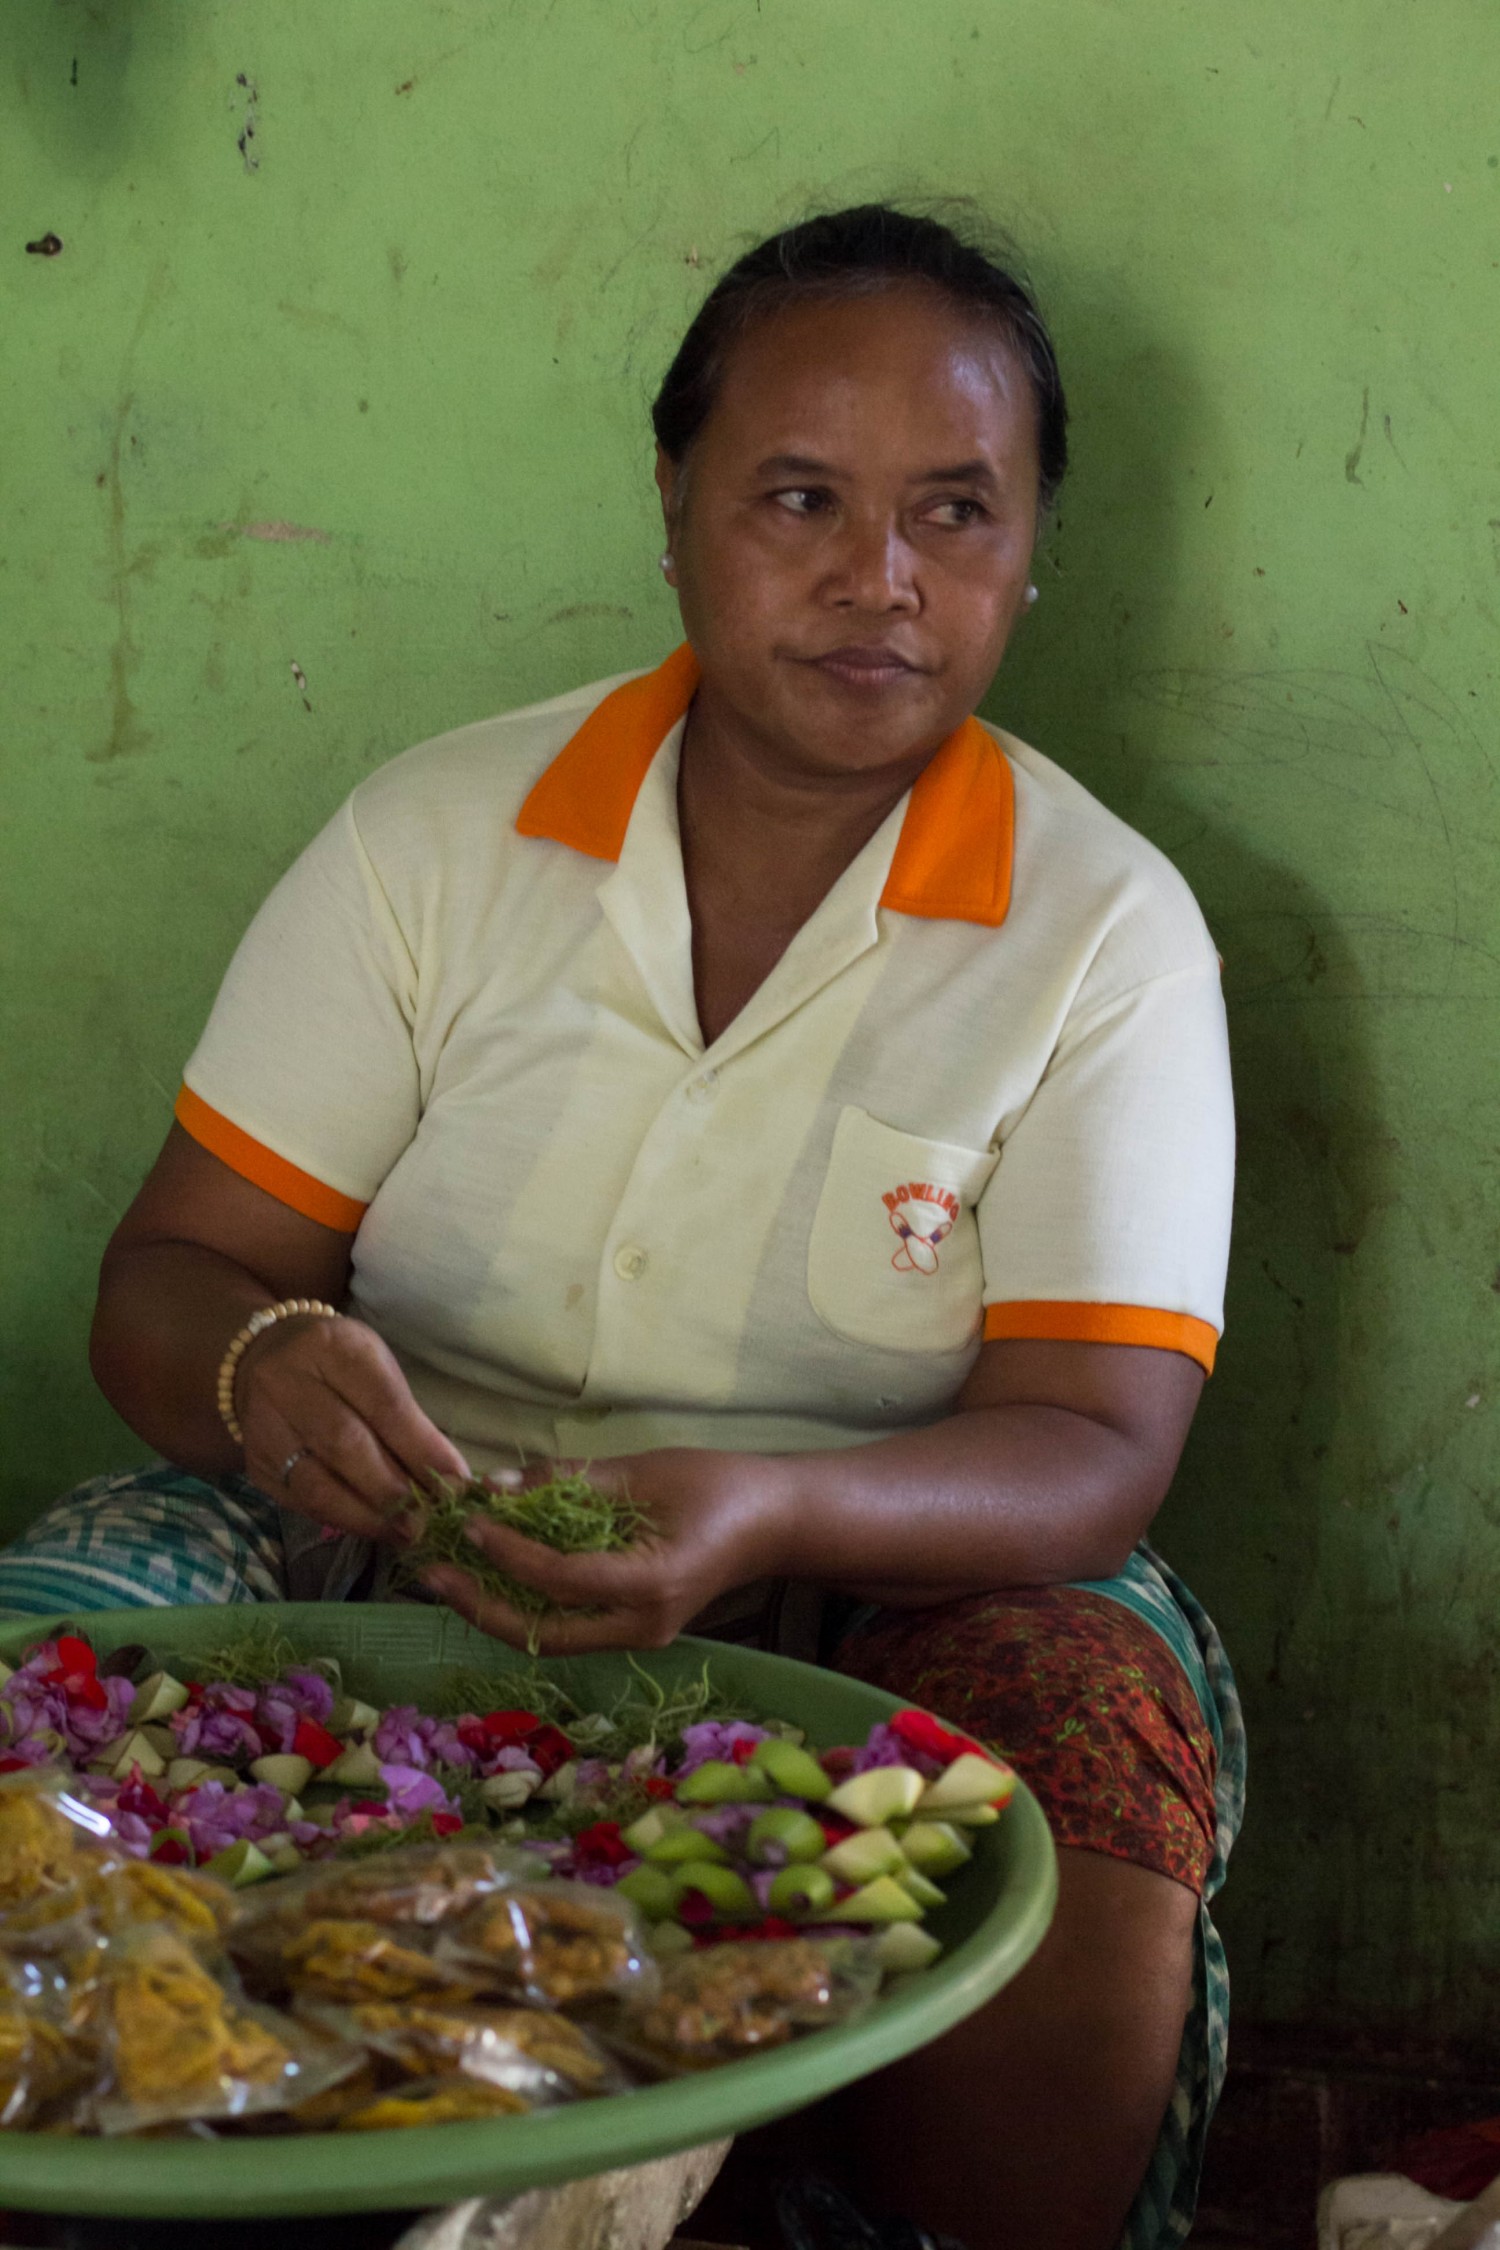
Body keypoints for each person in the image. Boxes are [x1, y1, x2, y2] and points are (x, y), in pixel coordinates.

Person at [0, 206, 1241, 2250]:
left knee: (1090, 1748)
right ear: (675, 508)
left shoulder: (1102, 935)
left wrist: (757, 1511)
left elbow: (1097, 1452)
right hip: (393, 1524)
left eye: (957, 509)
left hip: (874, 1574)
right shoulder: (438, 841)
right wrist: (260, 1365)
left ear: (1030, 547)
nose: (882, 579)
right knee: (57, 1641)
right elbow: (170, 1281)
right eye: (799, 499)